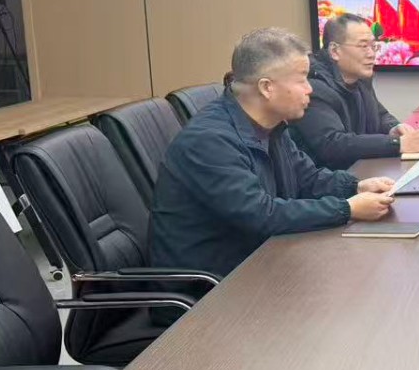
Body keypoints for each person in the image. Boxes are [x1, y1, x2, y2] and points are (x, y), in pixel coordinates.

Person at [150, 27, 397, 277]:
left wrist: (356, 187)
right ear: (267, 87)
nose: (310, 89)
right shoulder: (209, 140)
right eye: (301, 79)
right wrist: (347, 208)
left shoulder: (272, 125)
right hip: (213, 284)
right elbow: (260, 215)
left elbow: (307, 179)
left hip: (258, 260)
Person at [294, 13, 419, 165]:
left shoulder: (360, 78)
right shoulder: (314, 87)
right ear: (334, 51)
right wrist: (396, 144)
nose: (372, 54)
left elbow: (380, 115)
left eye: (373, 46)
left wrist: (394, 128)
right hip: (329, 176)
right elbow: (333, 144)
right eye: (363, 46)